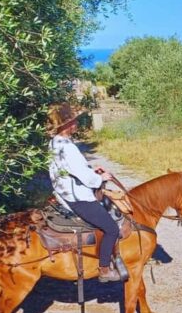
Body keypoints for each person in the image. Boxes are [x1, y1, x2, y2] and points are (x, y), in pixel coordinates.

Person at [47, 104, 124, 282]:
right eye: (73, 121)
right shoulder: (67, 147)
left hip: (64, 192)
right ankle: (104, 269)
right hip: (77, 198)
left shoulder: (56, 143)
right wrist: (100, 178)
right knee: (112, 228)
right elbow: (84, 176)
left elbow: (75, 169)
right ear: (65, 125)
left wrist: (91, 170)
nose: (76, 123)